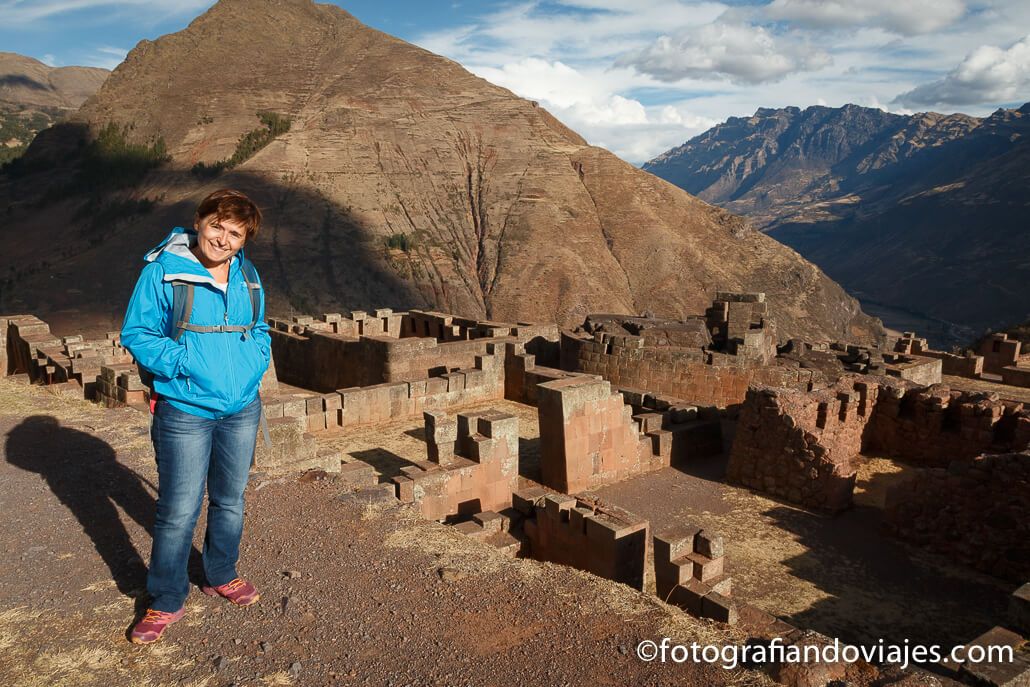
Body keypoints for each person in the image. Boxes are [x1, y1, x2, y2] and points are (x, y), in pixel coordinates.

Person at [120, 189, 271, 644]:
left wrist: (256, 362)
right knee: (178, 510)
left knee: (230, 499)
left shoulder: (247, 274)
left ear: (244, 241)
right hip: (185, 408)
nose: (222, 239)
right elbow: (138, 333)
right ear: (199, 221)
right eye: (216, 226)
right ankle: (165, 598)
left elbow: (259, 326)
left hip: (241, 407)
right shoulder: (163, 272)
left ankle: (220, 572)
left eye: (234, 233)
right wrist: (184, 363)